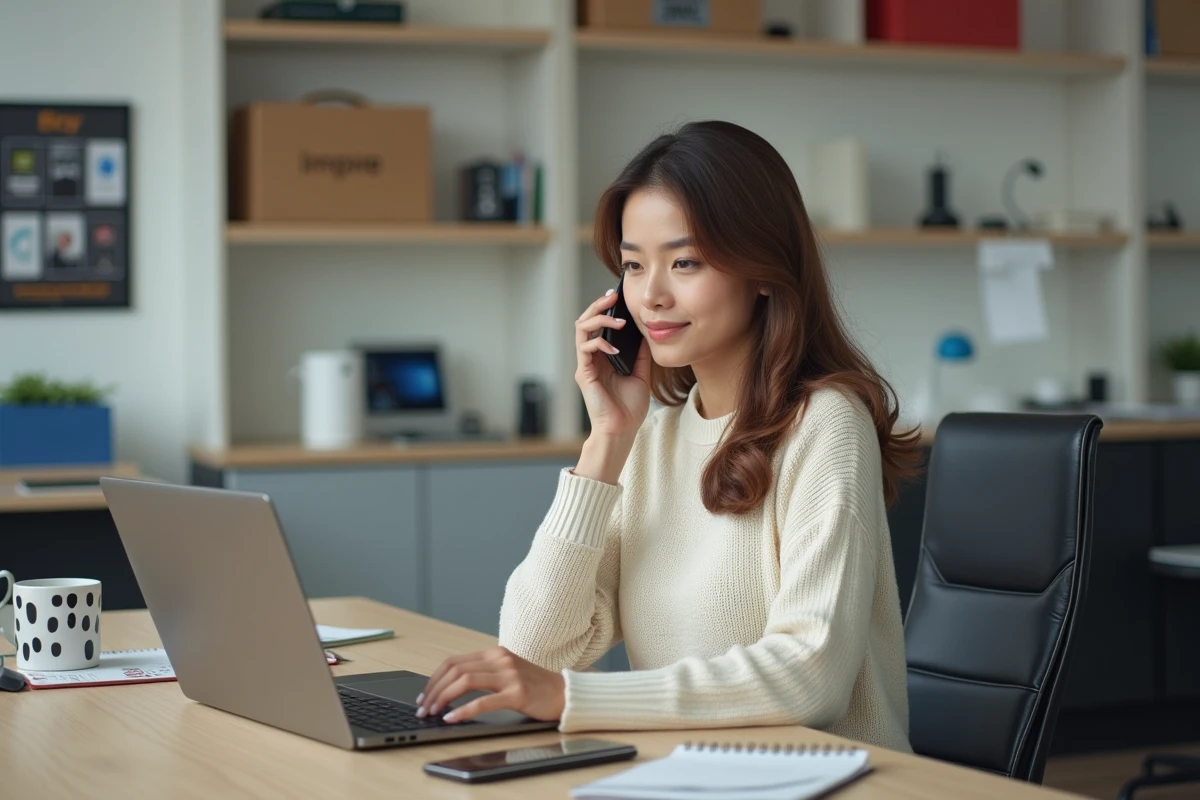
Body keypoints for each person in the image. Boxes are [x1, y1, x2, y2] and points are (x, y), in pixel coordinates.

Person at [417, 120, 922, 752]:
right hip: (684, 775)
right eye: (632, 265)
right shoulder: (651, 440)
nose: (650, 295)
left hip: (828, 779)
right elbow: (536, 648)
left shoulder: (825, 423)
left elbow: (810, 677)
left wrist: (578, 700)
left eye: (685, 261)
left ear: (764, 270)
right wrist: (606, 441)